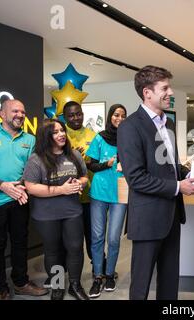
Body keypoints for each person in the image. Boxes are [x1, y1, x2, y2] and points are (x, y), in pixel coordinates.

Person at [118, 65, 194, 300]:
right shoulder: (130, 127)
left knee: (169, 279)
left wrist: (189, 173)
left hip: (172, 214)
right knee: (141, 284)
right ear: (147, 92)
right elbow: (136, 178)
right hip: (147, 218)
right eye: (165, 88)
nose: (171, 93)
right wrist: (178, 187)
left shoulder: (170, 124)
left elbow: (170, 166)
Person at [23, 119, 89, 300]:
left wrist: (79, 182)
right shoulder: (36, 159)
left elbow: (84, 177)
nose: (61, 134)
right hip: (46, 215)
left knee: (75, 248)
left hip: (72, 212)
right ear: (46, 136)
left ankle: (74, 285)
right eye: (55, 132)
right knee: (53, 250)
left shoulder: (74, 155)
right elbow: (31, 186)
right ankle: (58, 286)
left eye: (62, 130)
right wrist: (61, 189)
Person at [0, 99, 48, 300]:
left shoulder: (29, 139)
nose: (20, 114)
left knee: (20, 242)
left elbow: (33, 168)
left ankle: (20, 282)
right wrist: (2, 185)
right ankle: (1, 288)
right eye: (15, 111)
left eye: (22, 111)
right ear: (2, 114)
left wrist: (19, 185)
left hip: (19, 198)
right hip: (0, 200)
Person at [86, 104, 127, 298]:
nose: (119, 118)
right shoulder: (100, 137)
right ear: (110, 116)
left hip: (120, 194)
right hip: (99, 194)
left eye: (123, 116)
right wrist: (107, 164)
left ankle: (110, 274)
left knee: (113, 238)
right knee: (97, 237)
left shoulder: (129, 139)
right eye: (116, 115)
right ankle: (97, 276)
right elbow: (90, 165)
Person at [62, 101, 96, 275]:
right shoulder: (60, 134)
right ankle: (60, 277)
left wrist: (88, 160)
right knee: (66, 241)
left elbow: (97, 162)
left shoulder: (92, 134)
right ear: (64, 117)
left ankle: (99, 270)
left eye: (78, 113)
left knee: (94, 237)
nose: (76, 118)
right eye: (71, 115)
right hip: (65, 199)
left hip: (90, 196)